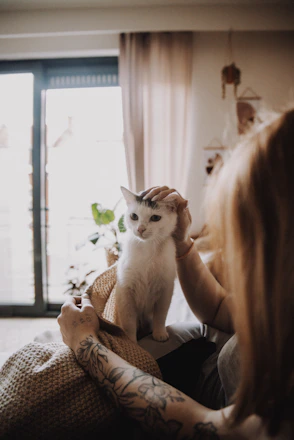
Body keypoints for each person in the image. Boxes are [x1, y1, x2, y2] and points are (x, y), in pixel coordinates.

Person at [58, 109, 294, 439]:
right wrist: (182, 241)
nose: (237, 253)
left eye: (246, 232)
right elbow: (219, 309)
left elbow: (211, 428)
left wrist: (84, 344)